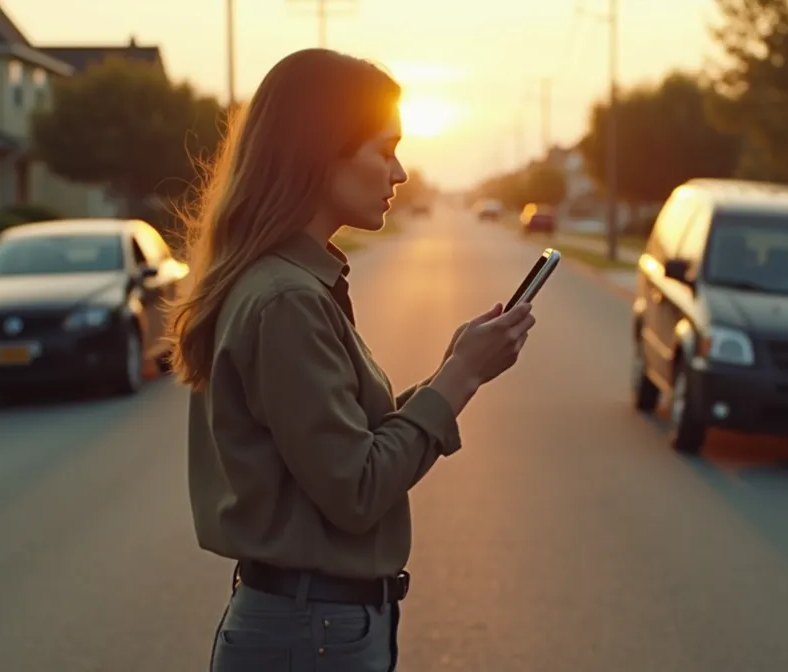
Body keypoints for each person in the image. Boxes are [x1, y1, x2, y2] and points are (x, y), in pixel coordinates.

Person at [166, 48, 538, 671]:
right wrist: (461, 377)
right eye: (385, 149)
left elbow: (342, 449)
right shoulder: (285, 299)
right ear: (323, 152)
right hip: (309, 634)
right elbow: (357, 488)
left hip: (313, 627)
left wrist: (450, 369)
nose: (399, 173)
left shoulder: (289, 284)